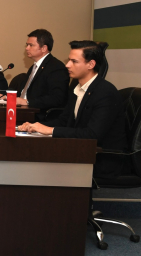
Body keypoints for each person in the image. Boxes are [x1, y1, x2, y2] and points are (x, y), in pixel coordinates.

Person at [18, 41, 128, 179]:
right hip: (80, 148)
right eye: (69, 60)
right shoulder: (77, 88)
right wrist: (36, 126)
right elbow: (65, 120)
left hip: (101, 157)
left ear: (91, 64)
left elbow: (92, 134)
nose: (67, 65)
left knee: (37, 161)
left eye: (74, 61)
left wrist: (51, 130)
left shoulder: (105, 93)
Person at [15, 29, 69, 112]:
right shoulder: (33, 67)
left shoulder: (56, 67)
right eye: (27, 45)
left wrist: (27, 102)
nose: (27, 48)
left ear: (44, 48)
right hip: (25, 111)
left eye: (31, 45)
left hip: (39, 114)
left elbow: (57, 98)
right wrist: (8, 98)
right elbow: (26, 93)